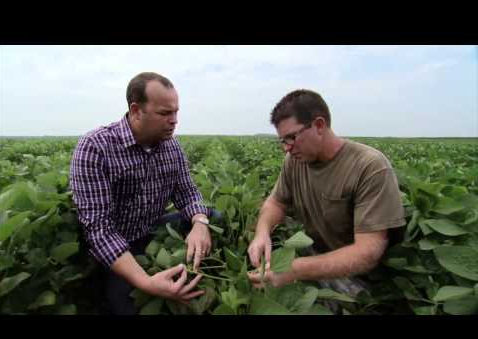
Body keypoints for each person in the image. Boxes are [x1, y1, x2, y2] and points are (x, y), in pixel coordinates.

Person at [70, 72, 214, 314]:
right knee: (127, 307)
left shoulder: (172, 146)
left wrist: (200, 223)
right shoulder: (95, 147)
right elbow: (99, 230)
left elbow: (188, 193)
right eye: (164, 113)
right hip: (118, 244)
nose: (174, 120)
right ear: (136, 110)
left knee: (213, 216)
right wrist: (146, 282)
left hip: (153, 228)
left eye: (176, 112)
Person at [247, 89, 406, 304]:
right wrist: (262, 232)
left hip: (359, 276)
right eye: (282, 141)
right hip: (317, 254)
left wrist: (293, 270)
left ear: (319, 125)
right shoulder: (295, 160)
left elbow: (368, 252)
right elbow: (277, 201)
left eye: (292, 137)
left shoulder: (369, 166)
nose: (287, 149)